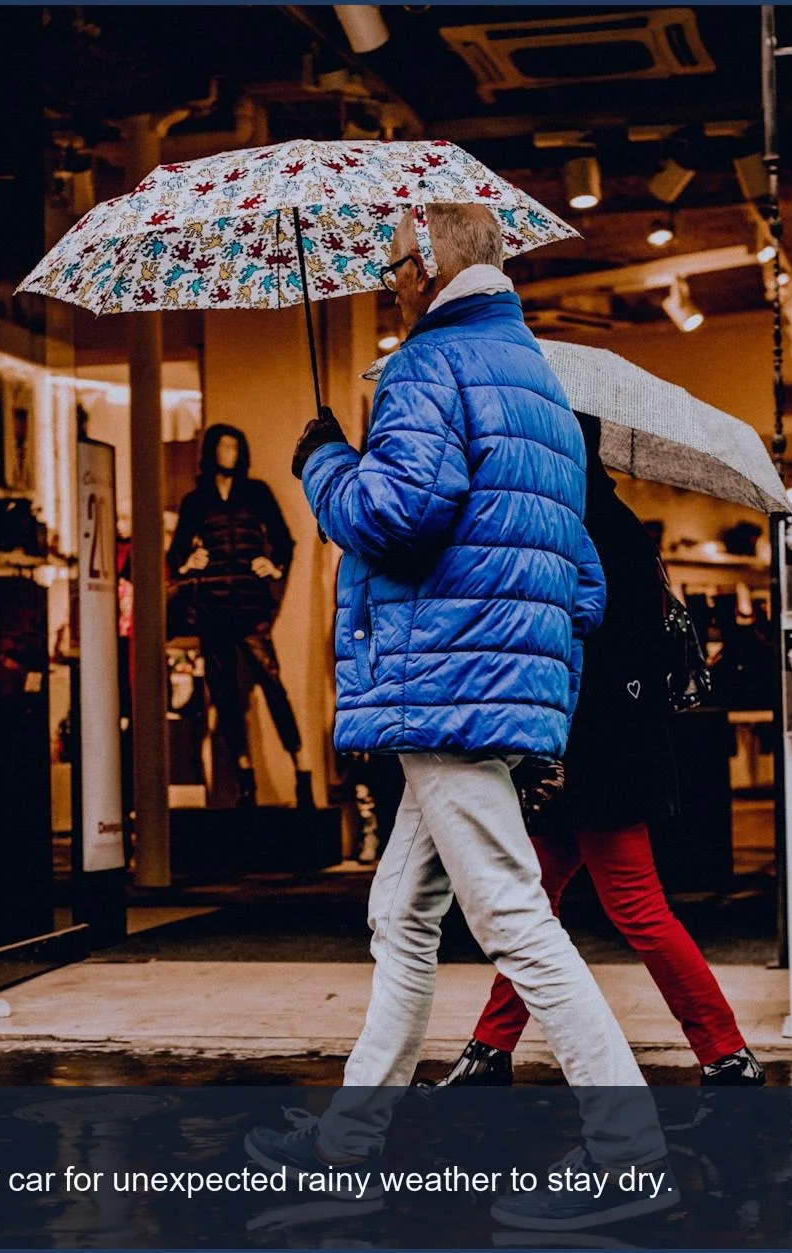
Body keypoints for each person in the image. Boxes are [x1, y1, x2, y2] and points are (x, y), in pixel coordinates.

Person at [244, 204, 675, 1232]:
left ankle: (626, 1151)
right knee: (402, 914)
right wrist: (536, 682)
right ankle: (347, 1143)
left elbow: (391, 513)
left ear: (431, 263)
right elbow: (581, 577)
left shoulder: (424, 368)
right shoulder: (533, 377)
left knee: (511, 914)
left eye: (393, 268)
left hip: (440, 682)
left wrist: (318, 461)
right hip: (491, 683)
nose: (386, 285)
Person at [429, 413, 767, 1091]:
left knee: (635, 907)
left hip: (598, 752)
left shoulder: (580, 528)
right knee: (537, 903)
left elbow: (584, 650)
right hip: (600, 749)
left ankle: (726, 1051)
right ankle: (489, 1050)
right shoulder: (614, 524)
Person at [167, 424, 309, 807]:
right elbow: (176, 553)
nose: (229, 453)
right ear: (211, 451)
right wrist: (187, 562)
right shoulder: (197, 502)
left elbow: (283, 540)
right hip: (214, 608)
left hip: (250, 608)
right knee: (226, 697)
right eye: (223, 446)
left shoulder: (256, 494)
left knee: (272, 686)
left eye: (234, 446)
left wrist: (273, 564)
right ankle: (245, 777)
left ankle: (301, 771)